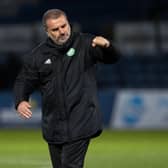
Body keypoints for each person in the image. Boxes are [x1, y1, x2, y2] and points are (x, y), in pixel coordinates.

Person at [14, 9, 120, 168]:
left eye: (64, 26)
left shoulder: (85, 43)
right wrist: (20, 100)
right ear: (47, 31)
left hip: (81, 121)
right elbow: (23, 81)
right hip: (53, 126)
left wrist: (107, 45)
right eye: (55, 29)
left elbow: (112, 58)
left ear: (69, 24)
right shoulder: (38, 55)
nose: (61, 31)